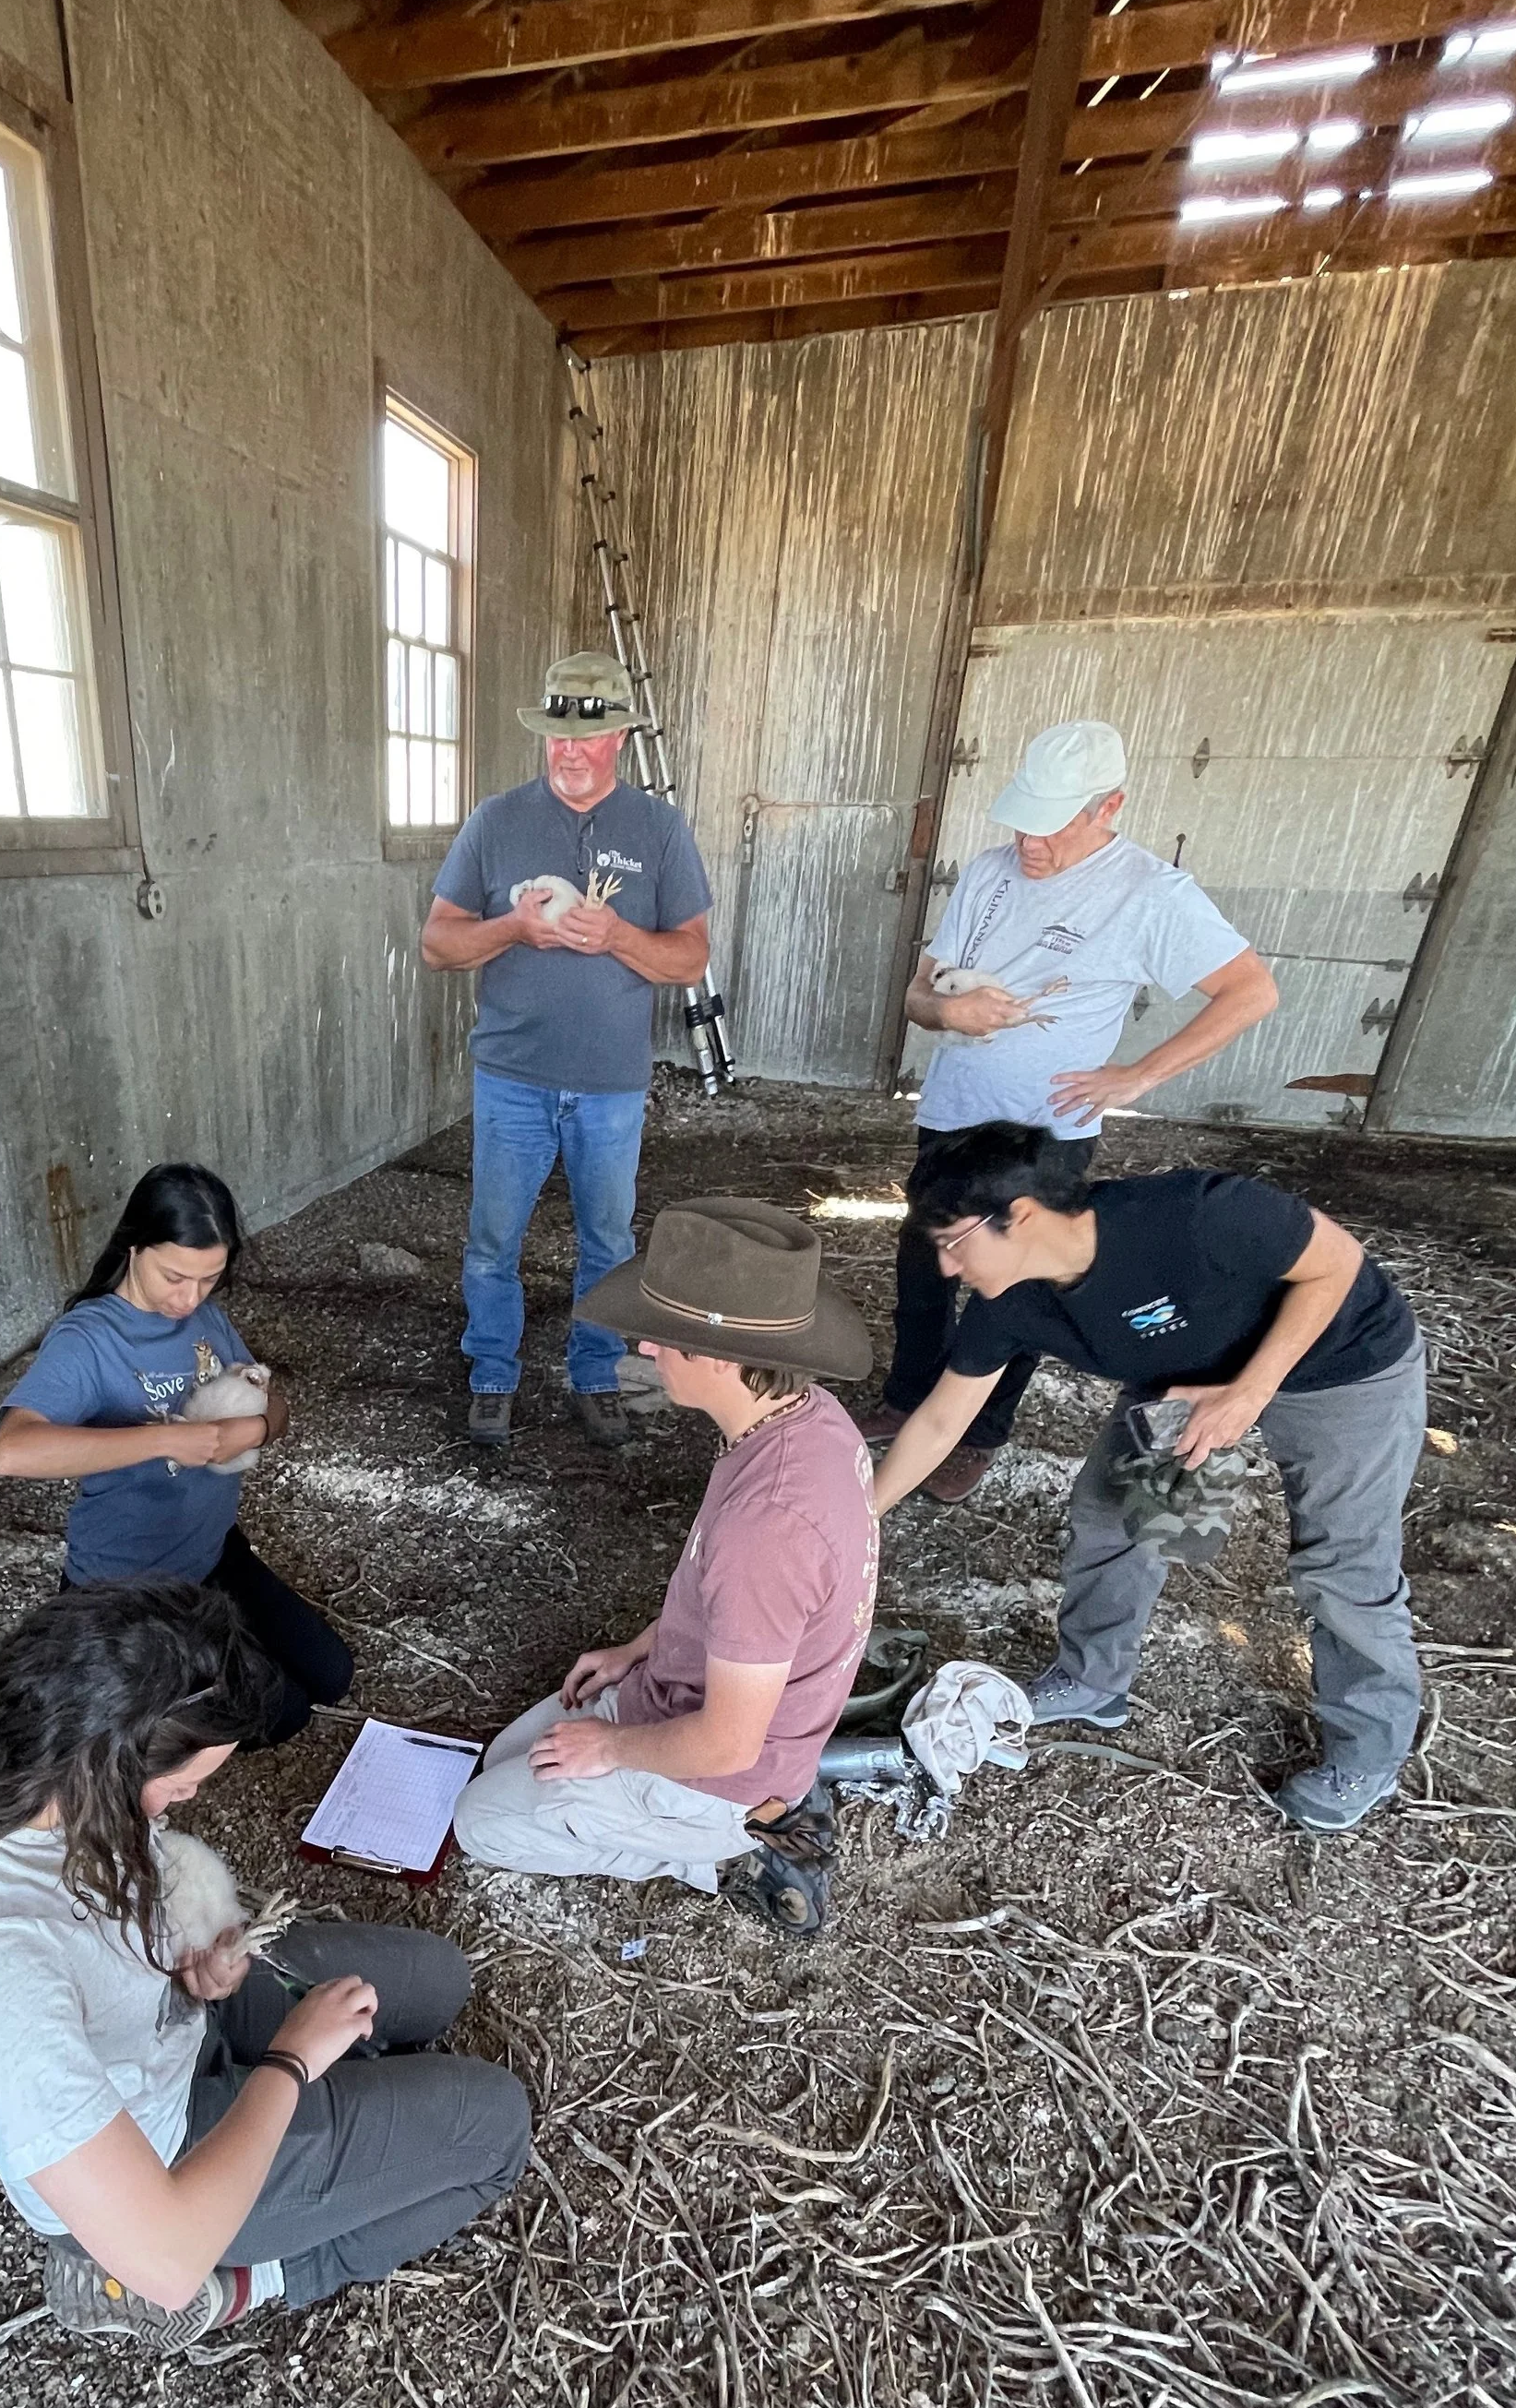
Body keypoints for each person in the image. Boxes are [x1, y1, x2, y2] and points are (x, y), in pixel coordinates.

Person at [0, 1582, 531, 2351]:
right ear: (110, 1758)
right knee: (497, 2127)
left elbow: (109, 1934)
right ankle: (248, 2279)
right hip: (160, 2161)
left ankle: (318, 2114)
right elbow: (167, 2256)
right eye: (181, 1784)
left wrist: (186, 1967)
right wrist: (291, 2061)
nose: (182, 1802)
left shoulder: (51, 1773)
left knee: (440, 1981)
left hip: (178, 2031)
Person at [874, 1126, 1426, 1833]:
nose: (947, 1266)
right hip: (1185, 1375)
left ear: (1024, 1215)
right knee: (1110, 1513)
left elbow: (1338, 1262)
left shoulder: (1194, 1213)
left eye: (955, 1241)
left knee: (1343, 1563)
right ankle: (1094, 1677)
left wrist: (1249, 1392)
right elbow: (940, 1420)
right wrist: (863, 1514)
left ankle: (1369, 1752)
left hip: (1341, 1366)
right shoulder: (1010, 1301)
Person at [861, 720, 1278, 1503]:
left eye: (1051, 825)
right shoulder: (987, 873)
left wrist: (1140, 1075)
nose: (1030, 842)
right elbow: (920, 992)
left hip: (1045, 1133)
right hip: (953, 1112)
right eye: (1023, 820)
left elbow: (1251, 990)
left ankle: (980, 1432)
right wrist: (946, 1012)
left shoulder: (1150, 892)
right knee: (924, 1265)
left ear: (1108, 806)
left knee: (1017, 1288)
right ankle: (908, 1398)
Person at [453, 1200, 877, 1932]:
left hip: (723, 1770)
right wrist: (639, 1648)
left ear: (721, 1355)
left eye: (667, 1336)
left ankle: (731, 1852)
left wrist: (612, 1746)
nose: (646, 1347)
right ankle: (720, 1814)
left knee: (478, 1822)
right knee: (501, 1761)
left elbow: (727, 1742)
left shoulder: (768, 1525)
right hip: (684, 1697)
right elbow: (727, 1604)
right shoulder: (807, 1417)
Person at [421, 651, 713, 1452]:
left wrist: (617, 936)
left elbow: (691, 957)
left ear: (620, 736)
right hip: (512, 1077)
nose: (571, 751)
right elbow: (438, 943)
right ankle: (492, 1370)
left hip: (610, 1085)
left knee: (608, 1241)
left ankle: (594, 1370)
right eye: (558, 736)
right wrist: (515, 928)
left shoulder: (658, 829)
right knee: (493, 1238)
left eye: (588, 736)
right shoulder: (496, 821)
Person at [0, 1164, 351, 1745]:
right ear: (134, 1247)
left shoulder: (205, 1318)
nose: (190, 1298)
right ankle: (110, 1676)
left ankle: (187, 1667)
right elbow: (11, 1451)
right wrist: (165, 1438)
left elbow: (276, 1408)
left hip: (214, 1556)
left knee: (331, 1675)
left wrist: (257, 1428)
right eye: (175, 1277)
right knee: (283, 1715)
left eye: (210, 1279)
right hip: (125, 1586)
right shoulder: (88, 1339)